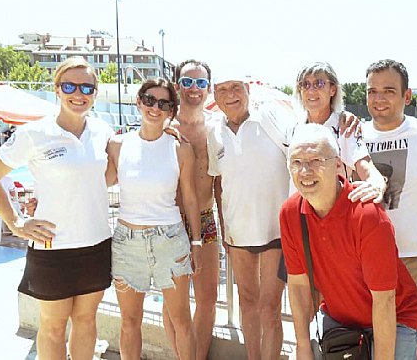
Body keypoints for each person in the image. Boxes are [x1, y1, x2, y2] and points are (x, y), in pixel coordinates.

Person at [0, 57, 113, 360]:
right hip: (52, 247)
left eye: (87, 87)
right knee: (53, 327)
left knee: (86, 321)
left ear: (95, 91)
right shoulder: (35, 134)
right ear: (56, 89)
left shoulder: (103, 131)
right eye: (70, 86)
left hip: (96, 243)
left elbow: (115, 170)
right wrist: (14, 221)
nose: (78, 94)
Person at [280, 123, 417, 360]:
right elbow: (297, 284)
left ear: (337, 163)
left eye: (315, 160)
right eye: (296, 162)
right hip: (339, 316)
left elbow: (384, 299)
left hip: (394, 317)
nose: (305, 171)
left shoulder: (367, 215)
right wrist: (302, 346)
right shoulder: (290, 213)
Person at [106, 77, 201, 360]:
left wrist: (196, 242)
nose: (155, 108)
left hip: (169, 241)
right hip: (127, 242)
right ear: (138, 102)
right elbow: (98, 181)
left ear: (171, 110)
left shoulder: (180, 149)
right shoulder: (117, 145)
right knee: (129, 322)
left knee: (181, 321)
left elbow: (191, 198)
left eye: (163, 103)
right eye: (149, 100)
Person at [362, 59, 417, 360]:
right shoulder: (355, 136)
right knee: (374, 336)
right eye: (372, 91)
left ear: (406, 96)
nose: (379, 98)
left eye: (388, 90)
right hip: (369, 258)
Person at [207, 75, 290, 360]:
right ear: (214, 96)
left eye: (235, 88)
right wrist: (224, 228)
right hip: (238, 233)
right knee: (247, 303)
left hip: (276, 232)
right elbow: (218, 185)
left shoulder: (269, 119)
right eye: (222, 89)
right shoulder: (213, 132)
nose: (230, 95)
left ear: (247, 91)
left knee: (270, 309)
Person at [161, 59, 221, 360]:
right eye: (187, 82)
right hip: (171, 221)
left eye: (200, 83)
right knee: (174, 304)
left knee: (209, 298)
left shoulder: (216, 130)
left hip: (206, 219)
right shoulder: (164, 129)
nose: (194, 89)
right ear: (177, 86)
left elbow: (221, 182)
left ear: (208, 89)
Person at [293, 62, 386, 203]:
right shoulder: (293, 128)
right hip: (299, 216)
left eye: (319, 83)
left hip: (334, 216)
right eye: (305, 84)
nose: (311, 90)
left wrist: (377, 185)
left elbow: (366, 166)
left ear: (332, 90)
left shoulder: (345, 127)